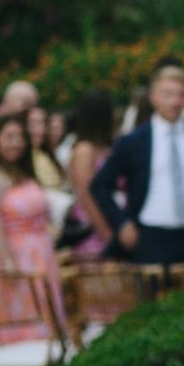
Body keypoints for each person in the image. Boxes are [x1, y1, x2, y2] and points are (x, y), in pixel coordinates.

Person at [89, 58, 184, 268]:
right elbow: (100, 185)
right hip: (150, 235)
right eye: (167, 95)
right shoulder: (134, 141)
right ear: (154, 98)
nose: (174, 102)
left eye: (180, 95)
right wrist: (121, 223)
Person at [0, 111, 65, 340]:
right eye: (8, 137)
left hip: (37, 257)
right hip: (5, 258)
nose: (17, 143)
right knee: (17, 326)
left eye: (20, 137)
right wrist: (8, 262)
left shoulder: (17, 170)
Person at [62, 91, 117, 261]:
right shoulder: (84, 150)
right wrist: (106, 235)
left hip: (114, 220)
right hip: (93, 226)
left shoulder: (109, 147)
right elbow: (87, 195)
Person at [24, 101, 64, 190]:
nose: (40, 129)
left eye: (43, 123)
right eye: (33, 123)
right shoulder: (19, 156)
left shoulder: (46, 152)